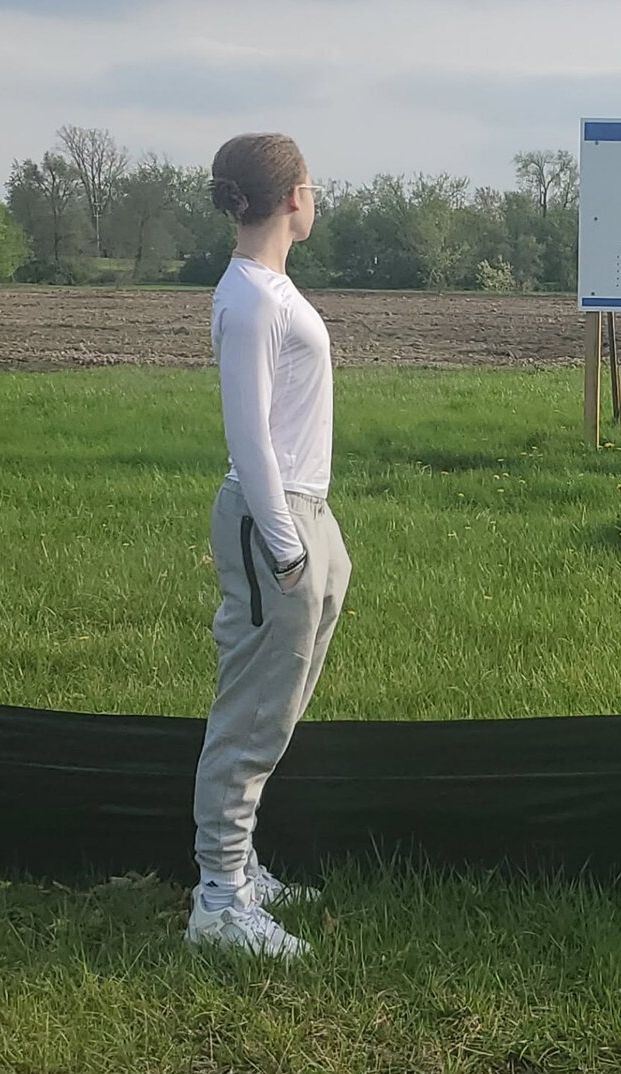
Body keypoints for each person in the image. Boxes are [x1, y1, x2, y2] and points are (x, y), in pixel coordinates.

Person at [186, 133, 351, 960]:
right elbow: (248, 440)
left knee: (273, 707)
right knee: (250, 713)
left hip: (300, 514)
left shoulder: (269, 289)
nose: (316, 197)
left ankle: (242, 866)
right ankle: (219, 897)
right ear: (292, 198)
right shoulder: (251, 298)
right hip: (271, 520)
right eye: (312, 185)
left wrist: (318, 540)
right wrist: (287, 548)